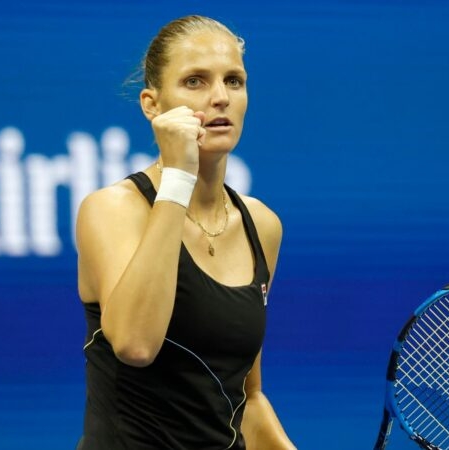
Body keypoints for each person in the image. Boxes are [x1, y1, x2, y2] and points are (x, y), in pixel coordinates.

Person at [75, 15, 297, 450]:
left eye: (234, 81)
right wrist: (178, 176)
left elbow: (246, 400)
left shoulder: (262, 225)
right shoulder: (111, 209)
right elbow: (136, 345)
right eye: (195, 81)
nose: (220, 98)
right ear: (152, 105)